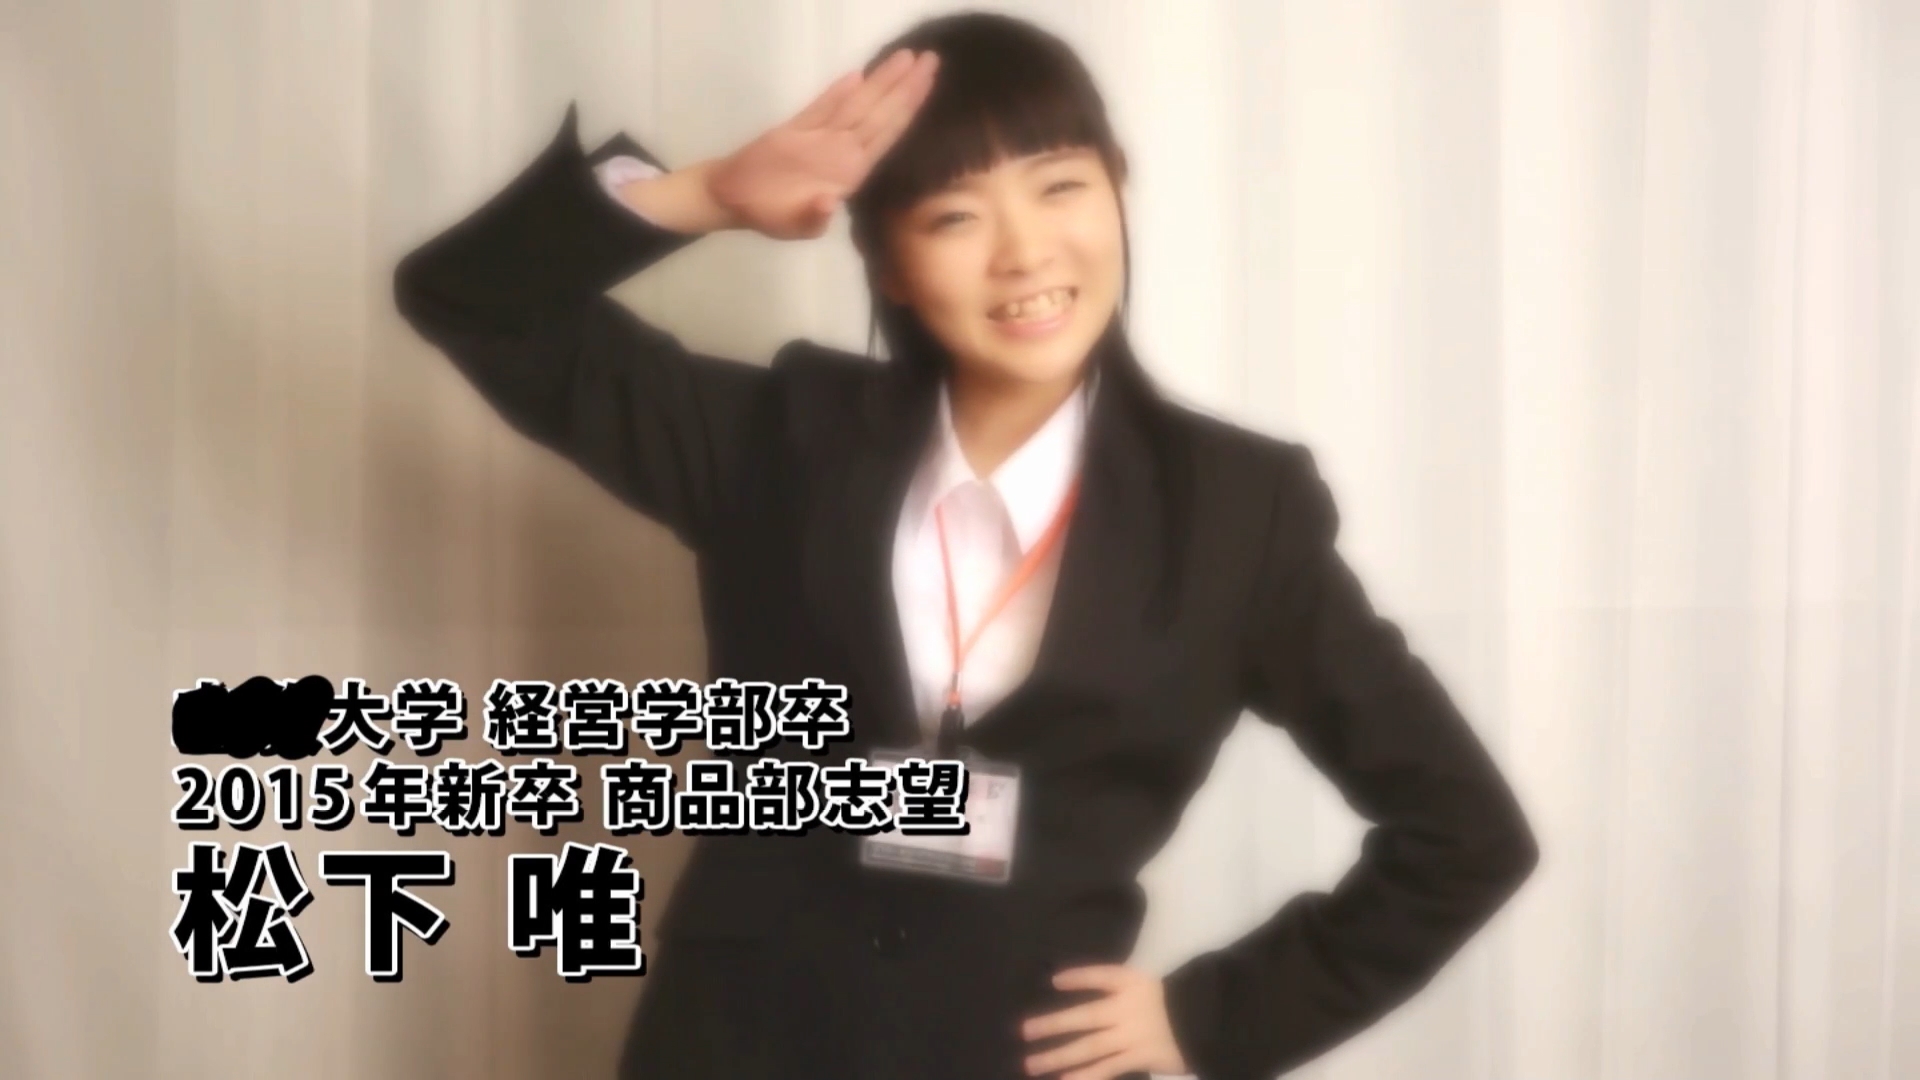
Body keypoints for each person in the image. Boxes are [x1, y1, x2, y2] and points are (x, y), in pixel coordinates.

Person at [392, 12, 1538, 1080]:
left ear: (1119, 193)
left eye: (1061, 187)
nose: (1024, 252)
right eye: (954, 215)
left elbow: (1466, 833)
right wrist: (704, 194)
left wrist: (1212, 1019)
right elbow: (463, 298)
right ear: (887, 262)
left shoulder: (1238, 512)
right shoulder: (781, 440)